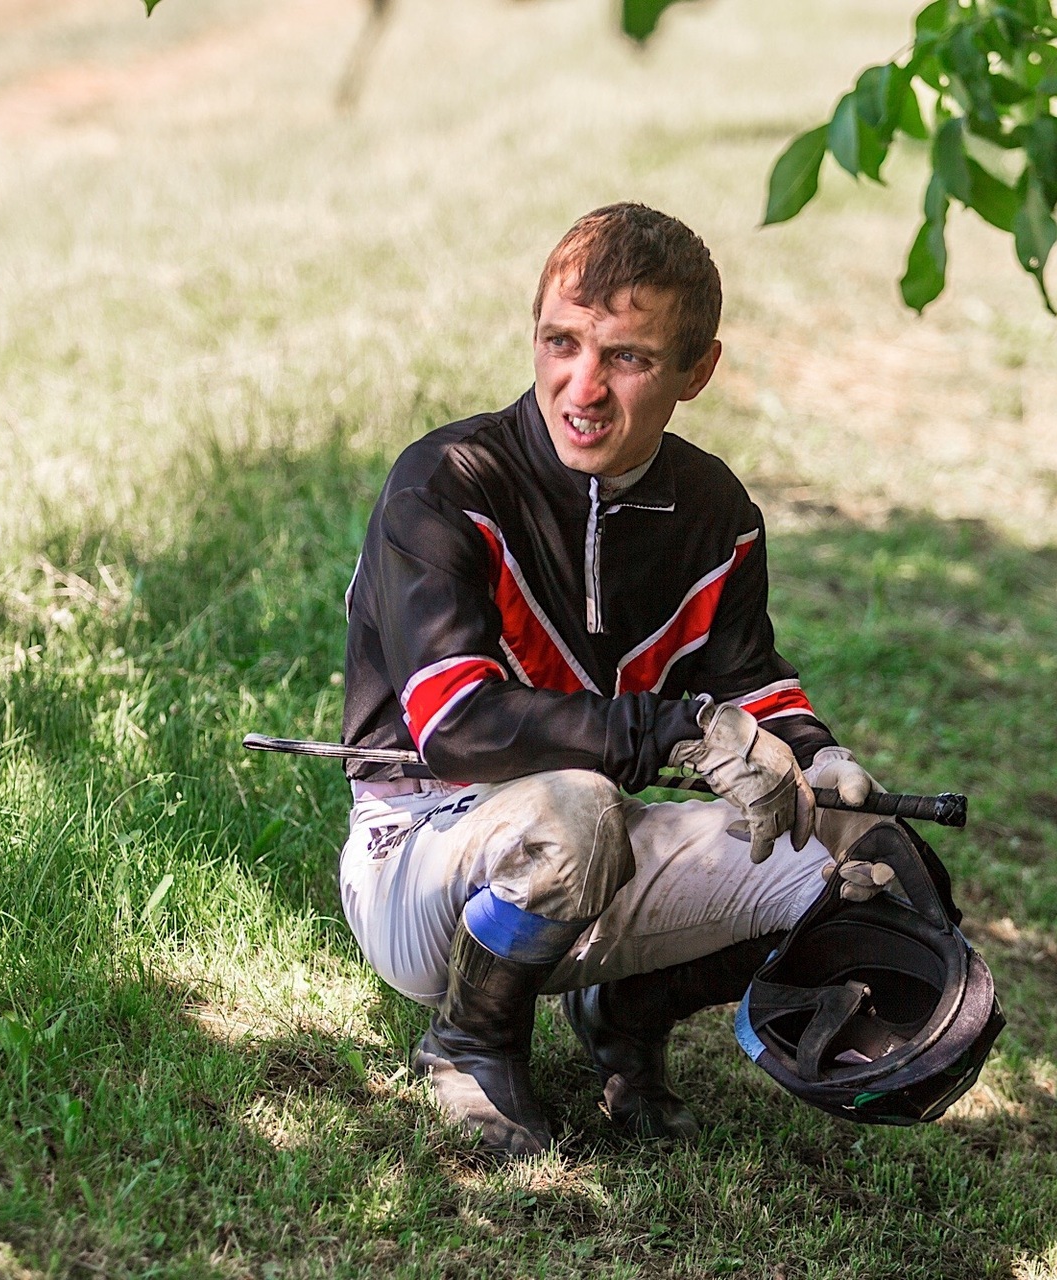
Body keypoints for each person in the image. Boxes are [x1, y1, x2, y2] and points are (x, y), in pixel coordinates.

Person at [337, 203, 900, 1157]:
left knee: (856, 862)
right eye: (561, 343)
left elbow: (749, 681)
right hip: (420, 858)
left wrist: (818, 755)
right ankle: (471, 1041)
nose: (583, 387)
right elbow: (458, 724)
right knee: (578, 812)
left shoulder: (715, 509)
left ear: (697, 371)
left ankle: (625, 1016)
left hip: (604, 840)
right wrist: (675, 733)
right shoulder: (445, 482)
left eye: (628, 357)